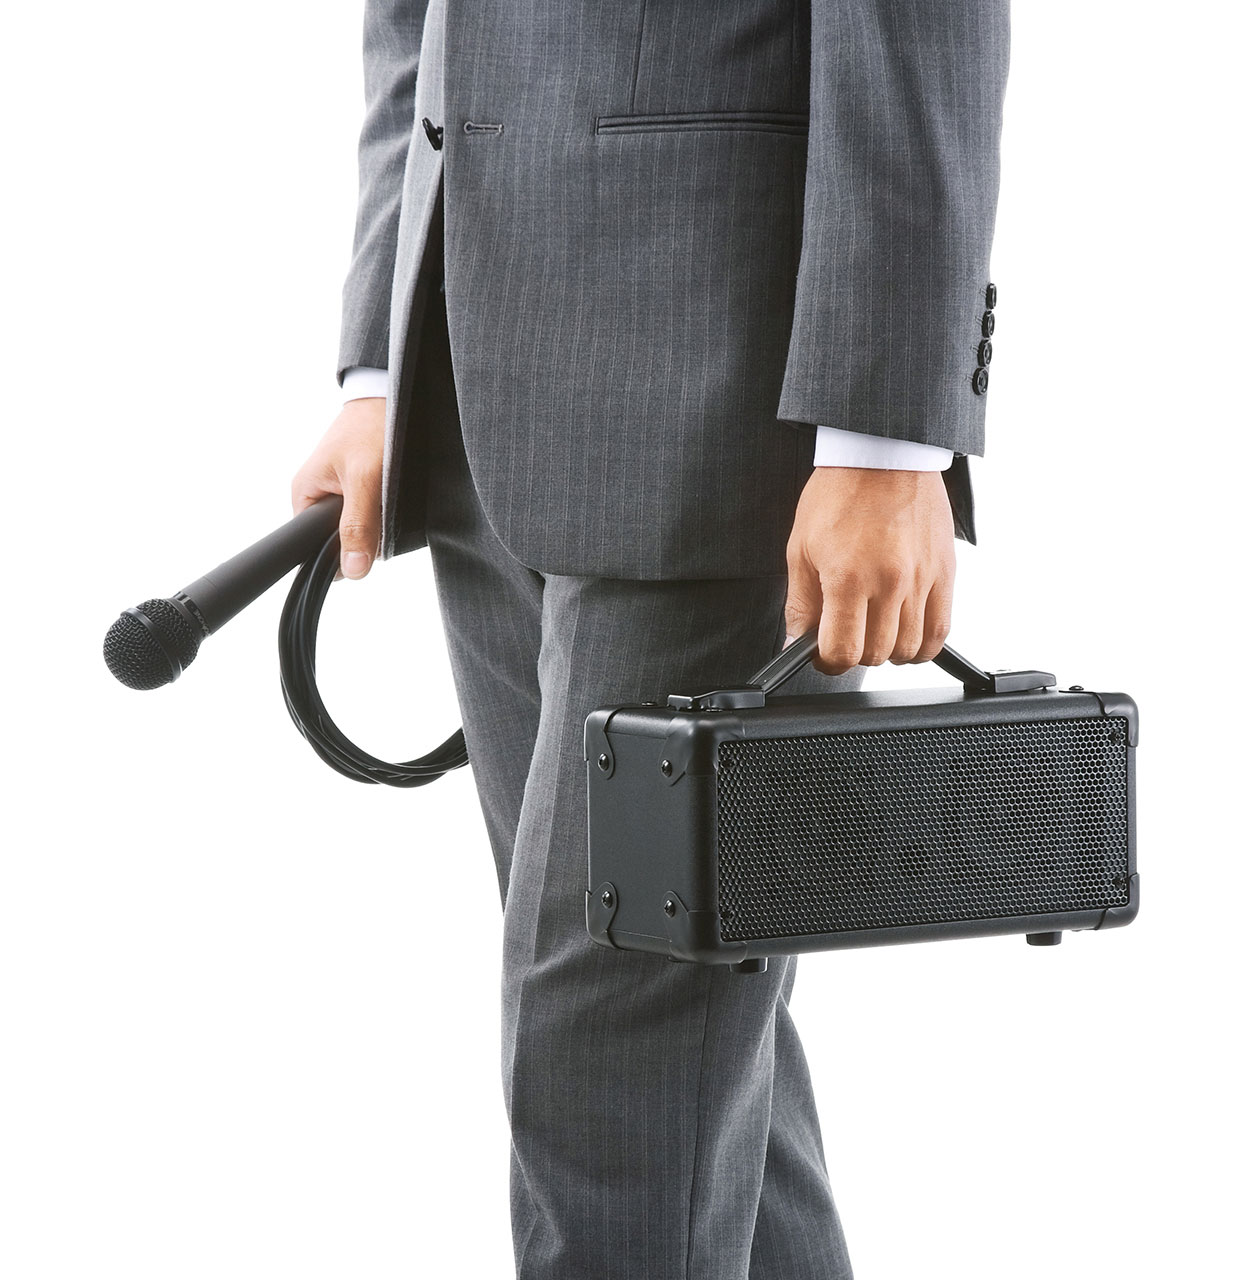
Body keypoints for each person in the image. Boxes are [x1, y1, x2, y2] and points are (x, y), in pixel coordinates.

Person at [291, 2, 1010, 1275]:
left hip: (717, 404)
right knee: (681, 1055)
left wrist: (885, 435)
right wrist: (380, 368)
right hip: (472, 397)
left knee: (605, 1061)